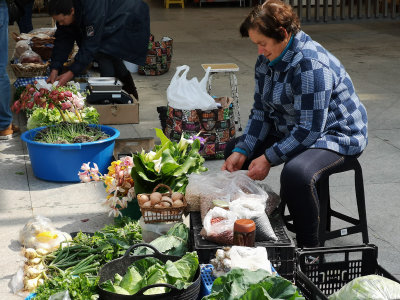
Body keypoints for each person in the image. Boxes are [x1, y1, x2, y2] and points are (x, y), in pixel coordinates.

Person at [222, 0, 368, 249]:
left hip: (334, 134)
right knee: (234, 151)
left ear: (283, 35)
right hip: (291, 126)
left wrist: (268, 158)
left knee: (296, 173)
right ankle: (252, 224)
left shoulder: (310, 65)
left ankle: (310, 251)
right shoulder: (267, 60)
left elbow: (310, 130)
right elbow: (261, 111)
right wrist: (243, 150)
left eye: (263, 44)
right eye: (256, 44)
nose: (259, 51)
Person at [46, 0, 150, 100]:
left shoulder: (91, 8)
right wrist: (55, 67)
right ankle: (132, 98)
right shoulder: (66, 6)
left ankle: (109, 104)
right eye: (58, 21)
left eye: (62, 20)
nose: (60, 24)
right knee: (110, 57)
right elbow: (63, 39)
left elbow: (91, 44)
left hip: (126, 15)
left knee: (104, 54)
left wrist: (71, 72)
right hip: (107, 14)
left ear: (72, 11)